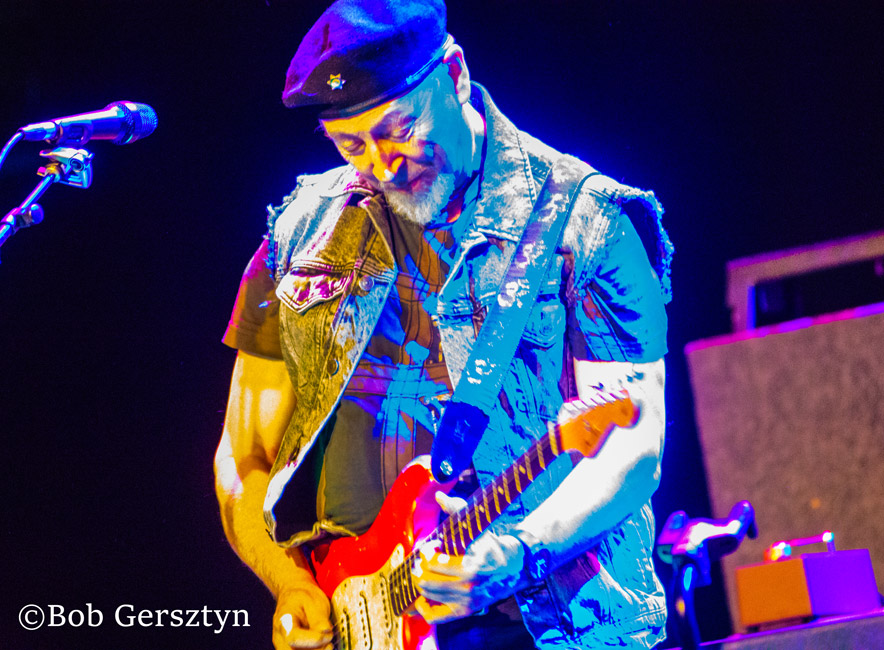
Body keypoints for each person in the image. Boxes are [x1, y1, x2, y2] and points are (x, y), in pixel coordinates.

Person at [214, 1, 674, 648]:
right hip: (357, 619)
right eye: (351, 146)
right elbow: (243, 456)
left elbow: (635, 442)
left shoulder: (584, 219)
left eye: (399, 129)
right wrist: (287, 583)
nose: (383, 164)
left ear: (454, 73)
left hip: (550, 628)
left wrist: (521, 552)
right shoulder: (299, 229)